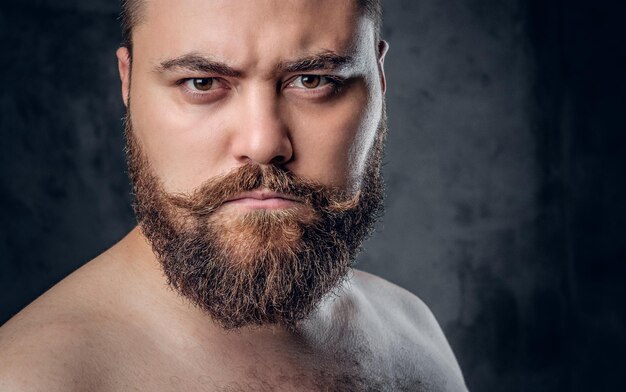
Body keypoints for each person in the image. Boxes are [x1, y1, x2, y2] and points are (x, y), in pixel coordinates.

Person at [0, 0, 468, 390]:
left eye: (314, 80)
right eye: (201, 83)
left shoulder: (414, 335)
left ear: (380, 81)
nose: (264, 143)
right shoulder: (31, 378)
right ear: (127, 82)